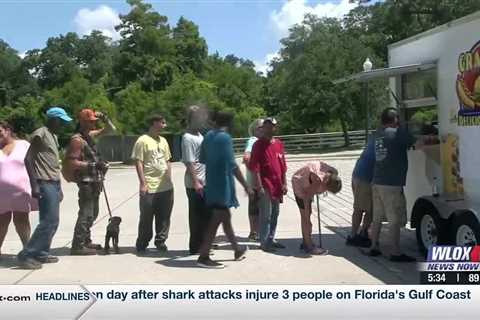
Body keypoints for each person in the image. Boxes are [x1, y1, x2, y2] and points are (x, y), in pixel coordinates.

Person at [17, 107, 72, 269]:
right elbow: (28, 159)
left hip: (53, 182)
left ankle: (41, 253)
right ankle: (26, 254)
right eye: (60, 121)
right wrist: (34, 185)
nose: (62, 125)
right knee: (48, 221)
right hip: (43, 182)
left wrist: (59, 187)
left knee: (52, 221)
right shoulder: (40, 133)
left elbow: (52, 164)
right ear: (53, 119)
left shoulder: (53, 135)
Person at [196, 111, 251, 269]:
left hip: (212, 183)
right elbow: (232, 165)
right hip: (222, 185)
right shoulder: (225, 138)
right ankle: (203, 256)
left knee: (225, 217)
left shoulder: (208, 137)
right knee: (216, 220)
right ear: (229, 123)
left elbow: (203, 159)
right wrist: (246, 185)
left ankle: (237, 250)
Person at [64, 108, 116, 255]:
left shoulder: (90, 136)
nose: (94, 123)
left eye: (94, 121)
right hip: (86, 181)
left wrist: (105, 117)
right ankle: (77, 245)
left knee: (93, 213)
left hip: (95, 180)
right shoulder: (77, 140)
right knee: (86, 213)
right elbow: (71, 162)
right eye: (91, 121)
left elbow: (111, 130)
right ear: (82, 122)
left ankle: (86, 240)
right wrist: (93, 165)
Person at [368, 108, 417, 262]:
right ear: (395, 120)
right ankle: (395, 252)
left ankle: (373, 247)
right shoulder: (398, 133)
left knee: (377, 218)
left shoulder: (377, 134)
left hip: (377, 181)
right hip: (391, 184)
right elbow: (419, 143)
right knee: (393, 219)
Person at [132, 115, 174, 254]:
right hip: (150, 185)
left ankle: (160, 241)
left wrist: (169, 177)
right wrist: (143, 183)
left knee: (164, 217)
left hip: (165, 186)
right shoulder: (142, 141)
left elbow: (168, 160)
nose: (165, 125)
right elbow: (138, 162)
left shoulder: (163, 141)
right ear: (154, 123)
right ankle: (142, 242)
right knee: (146, 217)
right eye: (162, 122)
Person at [249, 117, 288, 253]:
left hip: (278, 185)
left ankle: (271, 238)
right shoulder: (258, 145)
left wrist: (284, 183)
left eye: (272, 126)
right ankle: (264, 242)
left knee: (275, 214)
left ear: (275, 128)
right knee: (266, 214)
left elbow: (283, 165)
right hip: (265, 185)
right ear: (262, 128)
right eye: (266, 126)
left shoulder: (278, 144)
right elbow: (255, 167)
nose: (269, 128)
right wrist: (259, 187)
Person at [0, 121, 38, 258]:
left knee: (22, 220)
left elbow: (34, 165)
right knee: (1, 222)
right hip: (1, 195)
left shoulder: (23, 145)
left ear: (8, 130)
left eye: (0, 131)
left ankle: (27, 250)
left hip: (21, 193)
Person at [292, 161, 342, 255]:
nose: (326, 191)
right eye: (327, 189)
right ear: (326, 184)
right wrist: (307, 211)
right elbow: (307, 196)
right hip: (300, 185)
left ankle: (305, 241)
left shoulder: (333, 172)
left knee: (308, 214)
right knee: (305, 217)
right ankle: (308, 246)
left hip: (309, 182)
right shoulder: (317, 180)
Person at [181, 105, 211, 255]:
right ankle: (195, 247)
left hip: (204, 180)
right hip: (195, 182)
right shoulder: (187, 137)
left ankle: (204, 244)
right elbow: (189, 161)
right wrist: (196, 181)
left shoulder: (199, 135)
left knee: (206, 215)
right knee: (196, 216)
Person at [346, 137, 375, 248]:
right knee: (362, 208)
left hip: (359, 175)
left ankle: (362, 233)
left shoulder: (377, 137)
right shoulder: (384, 139)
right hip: (365, 178)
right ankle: (354, 236)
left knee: (370, 208)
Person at [242, 118, 263, 241]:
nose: (263, 129)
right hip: (254, 181)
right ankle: (254, 232)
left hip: (257, 180)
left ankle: (256, 232)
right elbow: (246, 157)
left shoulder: (261, 141)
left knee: (256, 206)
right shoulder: (253, 140)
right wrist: (255, 169)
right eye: (261, 127)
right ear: (255, 130)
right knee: (255, 206)